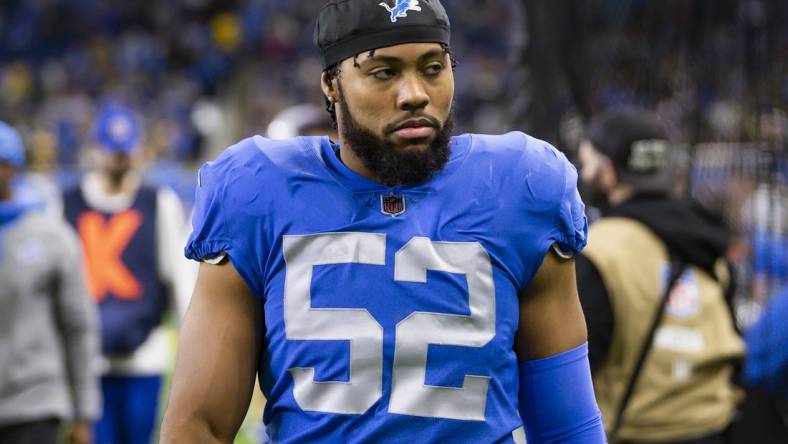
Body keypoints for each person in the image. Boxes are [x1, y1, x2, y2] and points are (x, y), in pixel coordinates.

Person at [162, 1, 606, 442]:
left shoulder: (519, 186)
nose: (414, 93)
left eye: (433, 68)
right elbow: (198, 426)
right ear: (331, 86)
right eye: (384, 72)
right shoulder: (257, 191)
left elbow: (568, 428)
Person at [576, 108, 744, 443]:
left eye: (588, 163)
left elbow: (578, 368)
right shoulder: (708, 243)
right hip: (717, 427)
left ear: (607, 174)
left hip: (638, 432)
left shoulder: (600, 250)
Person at [61, 105, 188, 444]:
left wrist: (191, 356)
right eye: (111, 149)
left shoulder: (158, 202)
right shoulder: (66, 203)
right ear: (95, 149)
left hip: (144, 355)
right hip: (86, 363)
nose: (117, 158)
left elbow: (179, 278)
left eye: (124, 150)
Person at [0, 121, 100, 444]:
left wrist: (84, 411)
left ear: (10, 168)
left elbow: (78, 325)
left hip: (34, 403)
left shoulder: (50, 237)